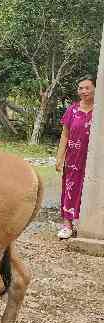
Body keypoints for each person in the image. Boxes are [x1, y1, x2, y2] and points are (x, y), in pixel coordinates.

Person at [56, 75, 96, 239]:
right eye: (81, 88)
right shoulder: (72, 110)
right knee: (70, 188)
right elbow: (65, 135)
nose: (84, 91)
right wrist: (59, 157)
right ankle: (67, 225)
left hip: (94, 160)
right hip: (73, 158)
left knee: (90, 189)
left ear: (95, 88)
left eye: (87, 87)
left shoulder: (100, 111)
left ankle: (87, 224)